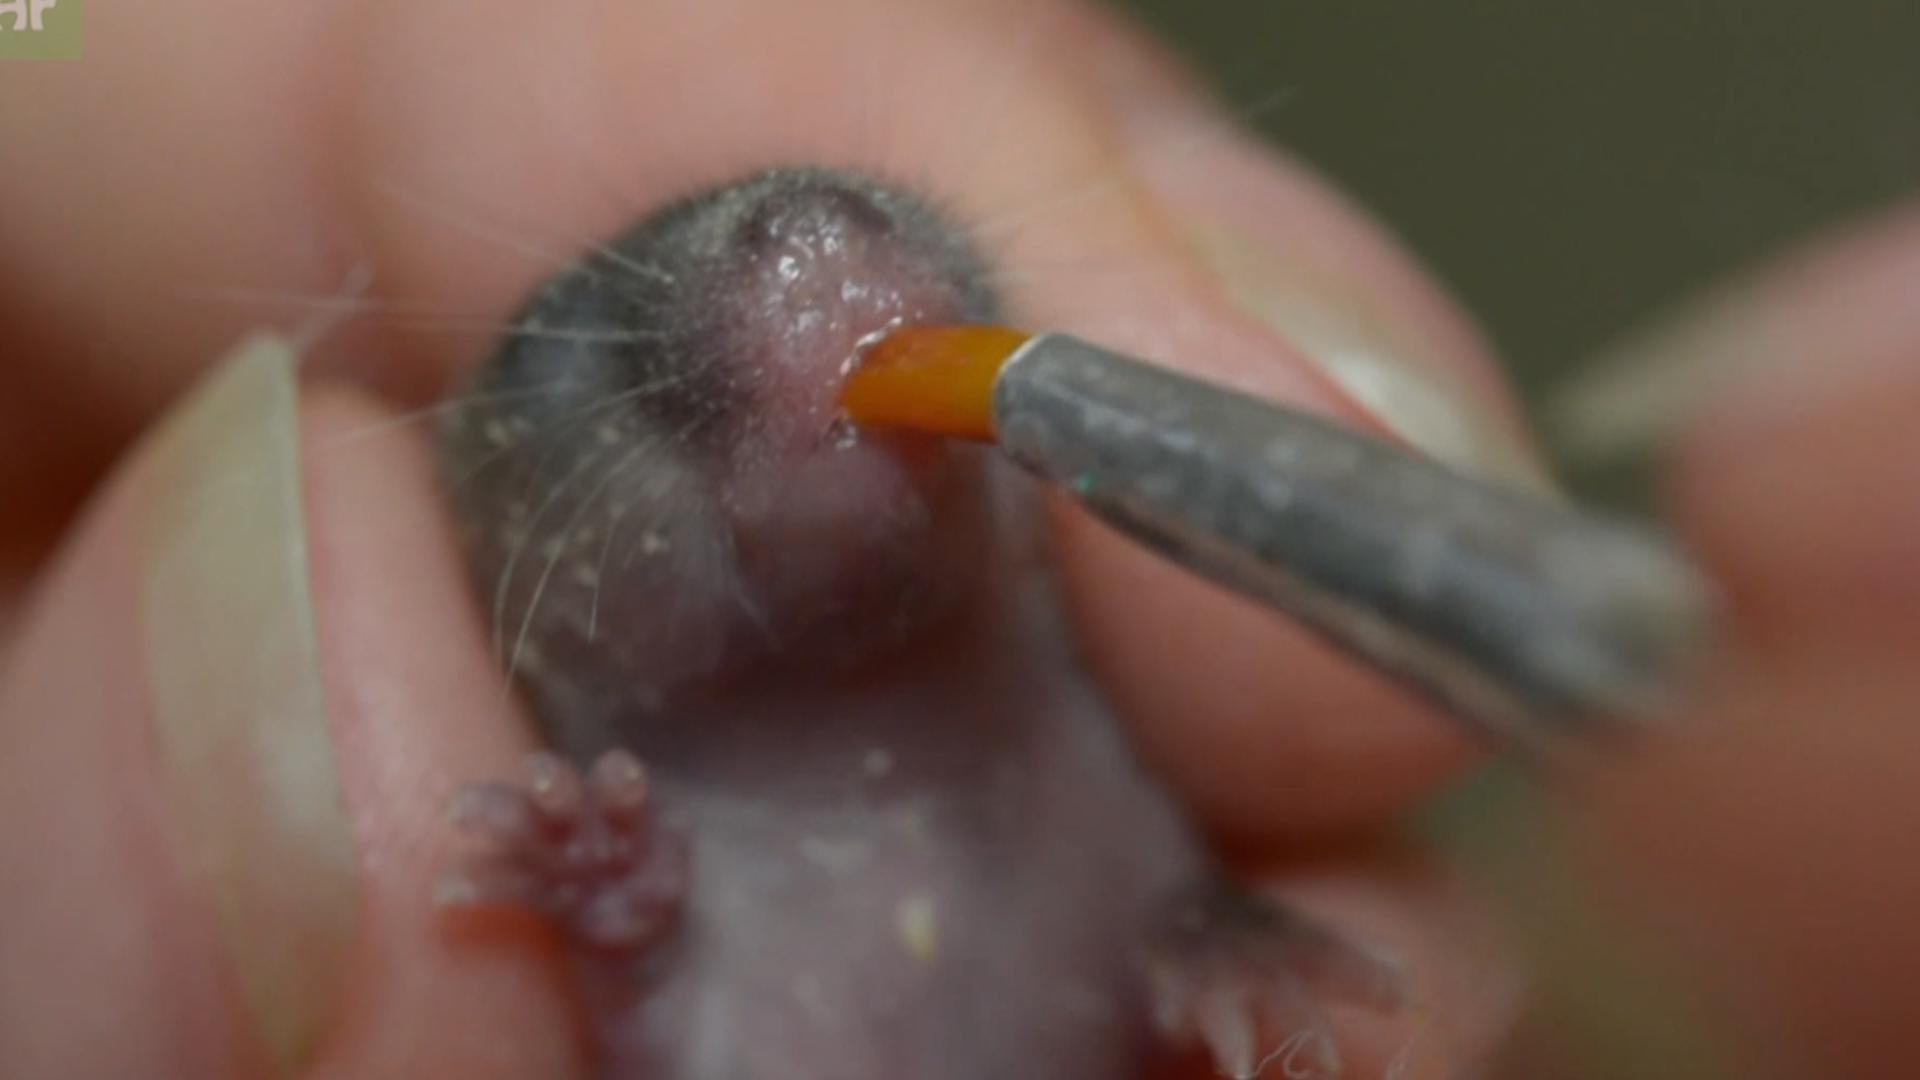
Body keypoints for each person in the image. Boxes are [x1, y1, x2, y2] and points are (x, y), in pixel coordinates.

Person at [1, 1, 1913, 1076]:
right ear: (519, 555)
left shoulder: (1062, 719)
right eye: (606, 349)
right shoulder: (616, 826)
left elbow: (1120, 881)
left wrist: (1209, 934)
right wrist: (608, 911)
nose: (809, 253)